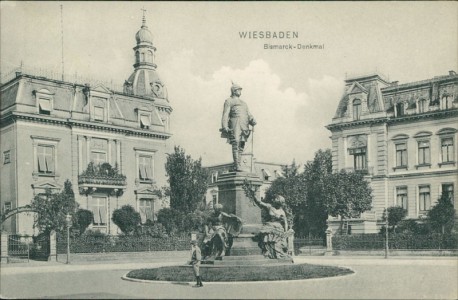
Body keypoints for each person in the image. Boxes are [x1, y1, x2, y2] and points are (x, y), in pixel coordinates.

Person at [220, 83, 256, 171]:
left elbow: (248, 114)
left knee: (241, 145)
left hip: (244, 125)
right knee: (235, 143)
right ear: (234, 91)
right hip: (235, 124)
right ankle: (236, 165)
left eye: (241, 90)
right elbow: (225, 114)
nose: (240, 91)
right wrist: (224, 126)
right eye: (239, 89)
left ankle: (238, 164)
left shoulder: (244, 103)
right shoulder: (229, 101)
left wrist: (252, 120)